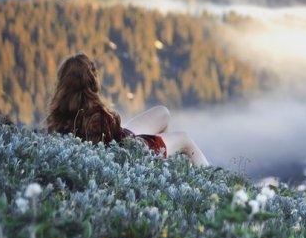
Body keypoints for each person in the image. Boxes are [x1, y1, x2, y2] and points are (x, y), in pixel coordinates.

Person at [46, 52, 209, 167]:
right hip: (132, 153)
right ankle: (210, 184)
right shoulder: (99, 115)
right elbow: (114, 150)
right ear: (92, 80)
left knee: (163, 112)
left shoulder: (57, 116)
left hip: (122, 140)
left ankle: (164, 165)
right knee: (185, 139)